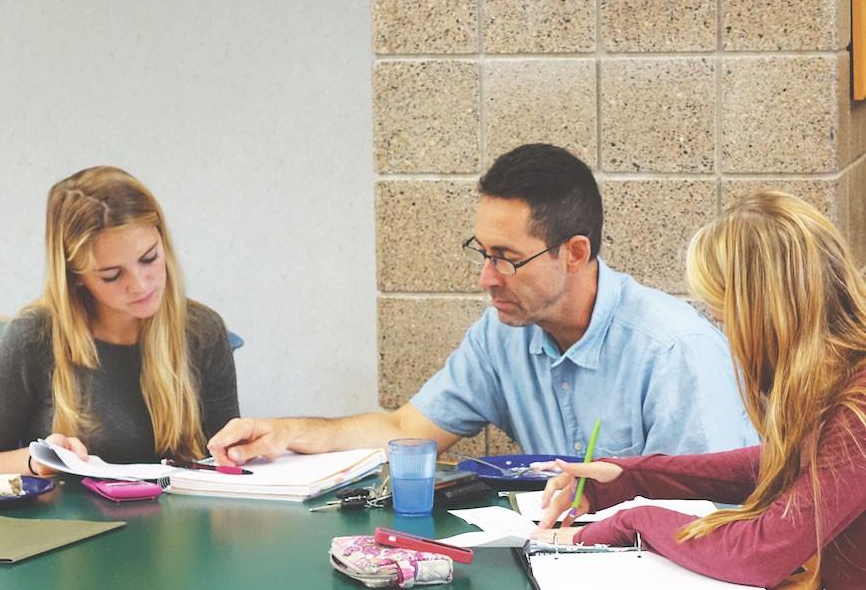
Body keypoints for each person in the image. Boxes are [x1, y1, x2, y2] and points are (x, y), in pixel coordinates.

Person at [208, 144, 755, 465]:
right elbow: (408, 428)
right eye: (483, 251)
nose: (487, 277)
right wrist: (288, 432)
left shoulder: (675, 352)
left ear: (575, 253)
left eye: (506, 257)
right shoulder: (503, 334)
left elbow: (711, 519)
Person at [535, 191, 865, 589]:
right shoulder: (846, 380)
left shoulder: (858, 410)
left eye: (726, 320)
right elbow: (781, 463)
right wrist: (627, 476)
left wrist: (628, 523)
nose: (730, 339)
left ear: (762, 314)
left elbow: (760, 553)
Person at [0, 166, 239, 475]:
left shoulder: (202, 330)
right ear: (76, 276)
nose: (140, 284)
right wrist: (36, 461)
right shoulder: (34, 335)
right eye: (111, 275)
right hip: (73, 522)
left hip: (178, 521)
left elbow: (228, 463)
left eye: (149, 258)